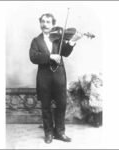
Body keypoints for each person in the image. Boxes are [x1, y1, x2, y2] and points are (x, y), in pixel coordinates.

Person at [29, 13, 82, 144]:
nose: (45, 24)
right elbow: (33, 57)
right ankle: (48, 133)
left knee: (62, 105)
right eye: (42, 21)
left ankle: (60, 132)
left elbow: (66, 53)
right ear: (40, 23)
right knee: (46, 106)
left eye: (48, 22)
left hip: (59, 77)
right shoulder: (36, 40)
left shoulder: (58, 39)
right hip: (44, 78)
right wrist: (50, 57)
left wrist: (72, 41)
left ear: (53, 24)